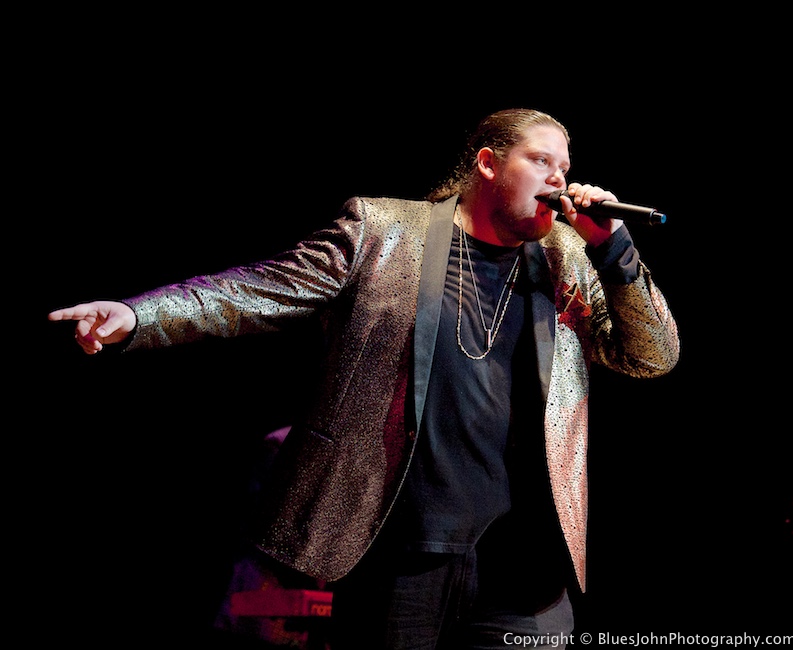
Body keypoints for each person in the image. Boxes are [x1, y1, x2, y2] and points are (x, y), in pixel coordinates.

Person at [48, 108, 680, 649]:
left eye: (564, 169)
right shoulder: (385, 231)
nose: (559, 180)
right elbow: (263, 290)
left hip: (526, 565)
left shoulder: (568, 255)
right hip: (402, 550)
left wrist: (614, 249)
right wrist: (140, 314)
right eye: (542, 162)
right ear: (489, 163)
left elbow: (652, 356)